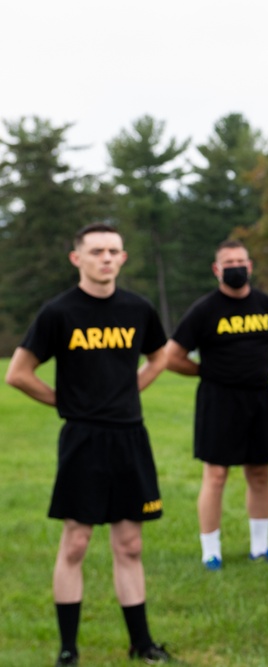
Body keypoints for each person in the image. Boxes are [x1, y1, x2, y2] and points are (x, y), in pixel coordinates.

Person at [5, 223, 174, 665]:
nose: (105, 258)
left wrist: (134, 388)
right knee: (77, 541)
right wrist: (66, 403)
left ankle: (142, 645)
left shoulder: (137, 309)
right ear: (76, 258)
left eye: (113, 251)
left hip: (130, 436)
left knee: (130, 544)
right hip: (83, 438)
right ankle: (68, 649)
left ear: (122, 259)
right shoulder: (59, 312)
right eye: (96, 250)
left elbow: (162, 355)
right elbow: (18, 373)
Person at [165, 239, 268, 570]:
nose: (236, 267)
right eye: (228, 262)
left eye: (241, 261)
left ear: (250, 267)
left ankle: (261, 548)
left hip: (259, 398)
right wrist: (207, 371)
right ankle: (211, 551)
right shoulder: (205, 309)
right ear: (216, 269)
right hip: (217, 399)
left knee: (260, 473)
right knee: (216, 474)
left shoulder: (267, 305)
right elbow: (172, 356)